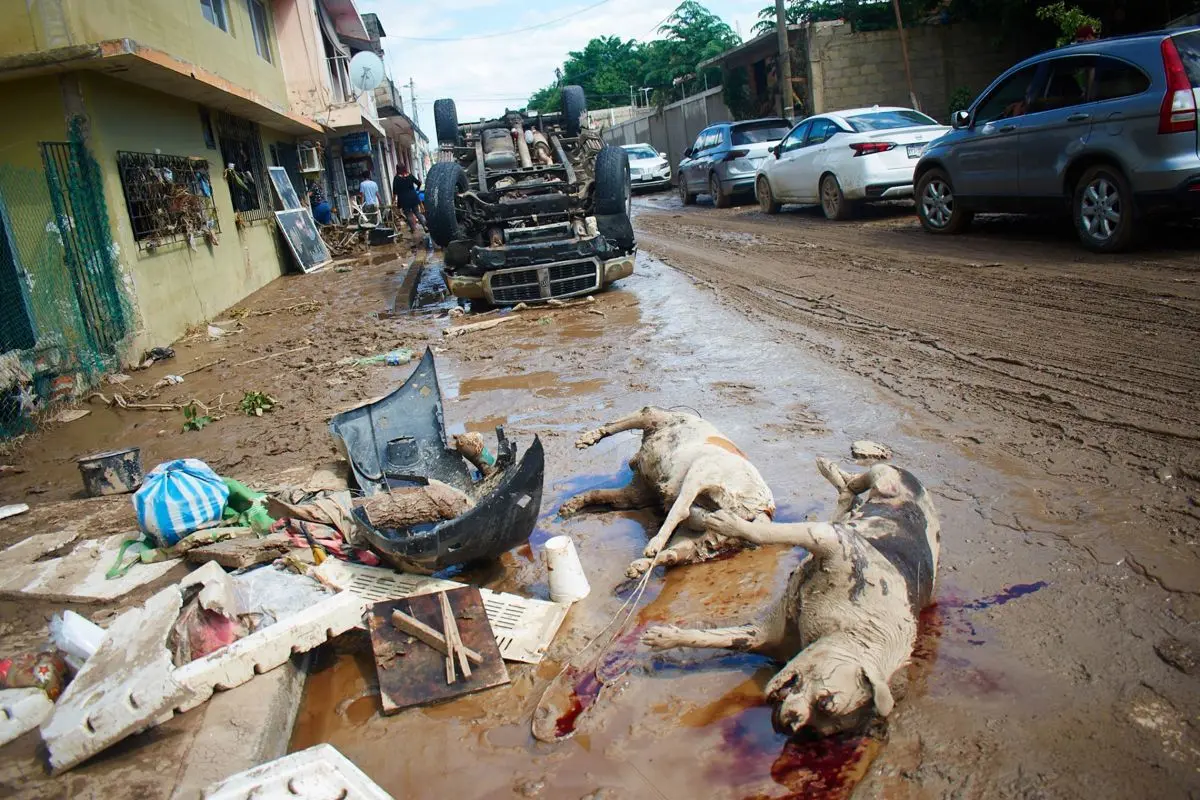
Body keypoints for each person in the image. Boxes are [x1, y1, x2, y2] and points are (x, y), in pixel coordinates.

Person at [391, 165, 427, 236]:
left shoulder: (396, 178)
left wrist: (393, 201)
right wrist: (416, 190)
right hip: (413, 196)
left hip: (404, 199)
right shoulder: (410, 175)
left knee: (408, 214)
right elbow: (419, 183)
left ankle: (413, 230)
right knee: (417, 212)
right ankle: (425, 226)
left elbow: (394, 192)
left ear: (397, 169)